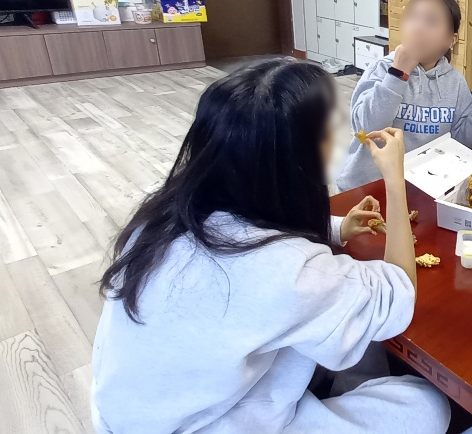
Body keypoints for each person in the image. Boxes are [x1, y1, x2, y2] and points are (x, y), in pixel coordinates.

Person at [90, 59, 450, 434]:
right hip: (211, 423)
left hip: (137, 412)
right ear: (296, 160)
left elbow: (240, 233)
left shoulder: (161, 218)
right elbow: (397, 294)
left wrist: (337, 228)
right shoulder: (287, 272)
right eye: (329, 132)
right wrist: (394, 179)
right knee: (427, 405)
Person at [336, 0, 472, 191]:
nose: (418, 27)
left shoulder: (454, 82)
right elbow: (366, 129)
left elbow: (461, 145)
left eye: (431, 21)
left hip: (423, 187)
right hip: (369, 188)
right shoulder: (383, 69)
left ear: (451, 40)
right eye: (412, 17)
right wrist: (397, 75)